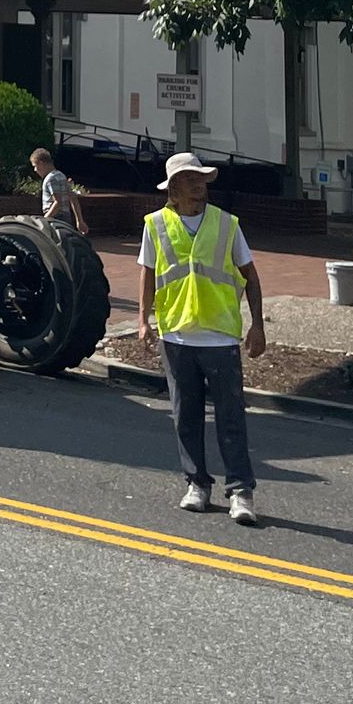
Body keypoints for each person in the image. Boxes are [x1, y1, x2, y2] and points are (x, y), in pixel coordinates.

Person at [138, 151, 267, 526]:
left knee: (230, 418)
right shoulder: (156, 225)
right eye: (189, 180)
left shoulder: (227, 225)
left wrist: (257, 325)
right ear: (173, 190)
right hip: (177, 335)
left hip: (220, 337)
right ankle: (197, 484)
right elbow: (148, 272)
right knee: (185, 417)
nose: (198, 186)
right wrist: (143, 320)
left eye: (201, 179)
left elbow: (251, 276)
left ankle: (241, 491)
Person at [32, 145, 88, 234]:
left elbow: (58, 202)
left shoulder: (50, 179)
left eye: (35, 166)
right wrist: (79, 221)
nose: (35, 170)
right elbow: (73, 198)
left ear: (41, 163)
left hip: (55, 219)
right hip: (66, 218)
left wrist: (45, 220)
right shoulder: (61, 176)